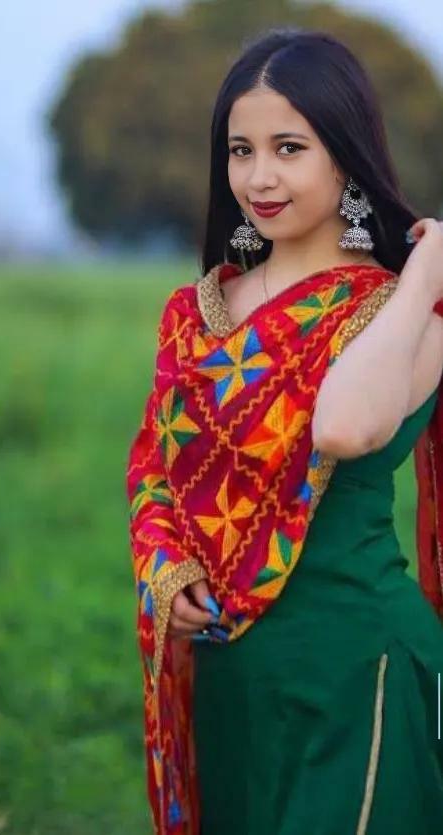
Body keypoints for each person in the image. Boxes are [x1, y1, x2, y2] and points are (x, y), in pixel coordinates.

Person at [125, 26, 443, 835]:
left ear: (347, 158)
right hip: (230, 678)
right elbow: (155, 468)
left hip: (354, 667)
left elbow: (344, 427)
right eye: (241, 150)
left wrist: (421, 278)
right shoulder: (195, 316)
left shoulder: (405, 318)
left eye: (289, 148)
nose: (258, 177)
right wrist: (166, 570)